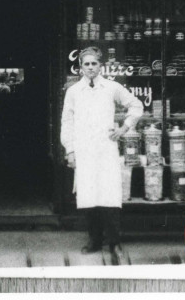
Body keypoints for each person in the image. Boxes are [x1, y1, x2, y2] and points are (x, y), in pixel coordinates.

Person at [61, 47, 143, 260]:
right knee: (89, 197)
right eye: (86, 64)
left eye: (94, 63)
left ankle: (114, 243)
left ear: (100, 65)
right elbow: (67, 122)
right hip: (84, 150)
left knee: (109, 197)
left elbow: (136, 106)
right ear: (81, 67)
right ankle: (94, 241)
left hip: (106, 149)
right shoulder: (73, 91)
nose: (90, 67)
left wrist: (123, 128)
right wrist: (70, 150)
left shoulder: (112, 87)